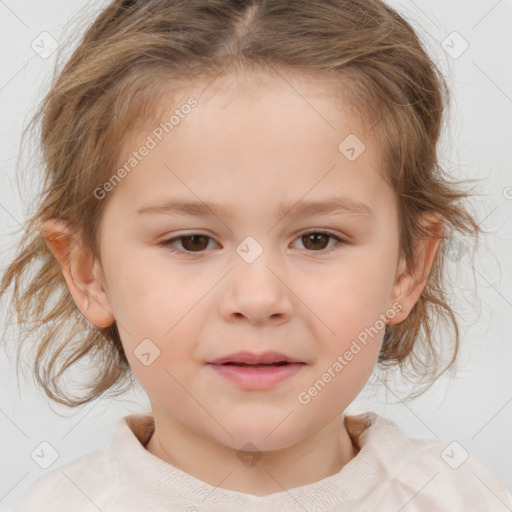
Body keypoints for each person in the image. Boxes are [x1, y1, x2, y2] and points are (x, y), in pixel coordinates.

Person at [2, 0, 511, 510]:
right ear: (88, 272)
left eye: (317, 239)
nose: (259, 298)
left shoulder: (463, 497)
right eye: (192, 241)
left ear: (408, 269)